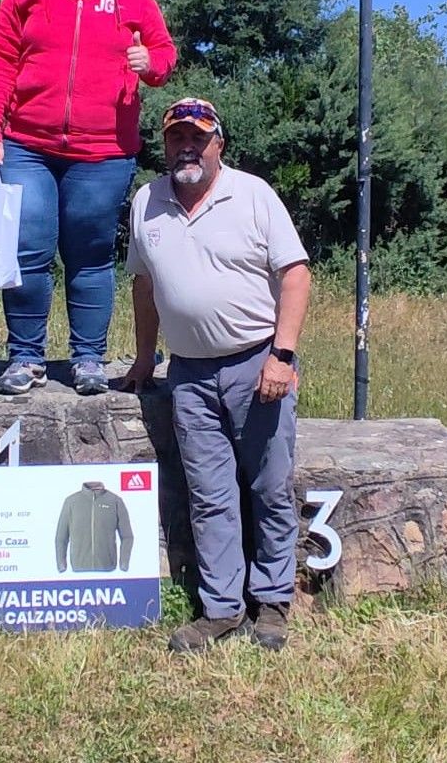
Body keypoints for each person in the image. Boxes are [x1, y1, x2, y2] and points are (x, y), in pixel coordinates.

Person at [122, 97, 311, 652]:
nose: (187, 147)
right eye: (176, 137)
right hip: (188, 375)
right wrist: (144, 357)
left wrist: (282, 356)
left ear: (218, 145)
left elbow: (296, 275)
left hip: (257, 366)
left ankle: (272, 603)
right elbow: (144, 285)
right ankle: (222, 610)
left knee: (269, 487)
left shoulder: (253, 194)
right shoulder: (146, 202)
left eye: (198, 138)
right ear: (164, 145)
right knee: (209, 497)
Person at [0, 0, 176, 396]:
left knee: (90, 256)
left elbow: (164, 56)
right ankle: (26, 358)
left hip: (103, 152)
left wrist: (149, 64)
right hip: (27, 146)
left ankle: (88, 359)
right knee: (28, 249)